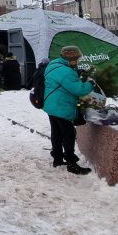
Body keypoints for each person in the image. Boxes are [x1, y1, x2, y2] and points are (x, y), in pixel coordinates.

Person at [43, 46, 94, 175]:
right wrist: (90, 84)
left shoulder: (53, 65)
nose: (78, 62)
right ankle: (71, 163)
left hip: (51, 105)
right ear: (71, 59)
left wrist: (75, 72)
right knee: (69, 134)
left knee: (56, 132)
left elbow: (60, 80)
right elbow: (79, 90)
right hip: (62, 106)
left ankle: (57, 159)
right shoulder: (67, 72)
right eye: (77, 59)